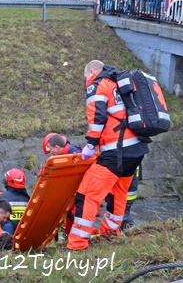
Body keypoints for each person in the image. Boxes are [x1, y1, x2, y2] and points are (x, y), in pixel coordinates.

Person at [67, 60, 150, 251]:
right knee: (118, 194)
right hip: (136, 150)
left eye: (85, 77)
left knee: (87, 194)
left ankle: (77, 244)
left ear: (92, 72)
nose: (86, 81)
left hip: (117, 152)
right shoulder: (119, 84)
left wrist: (91, 144)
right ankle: (111, 233)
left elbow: (97, 117)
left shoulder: (98, 85)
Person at [0, 169, 30, 235]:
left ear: (10, 181)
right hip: (24, 235)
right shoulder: (28, 200)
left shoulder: (0, 198)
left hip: (6, 236)